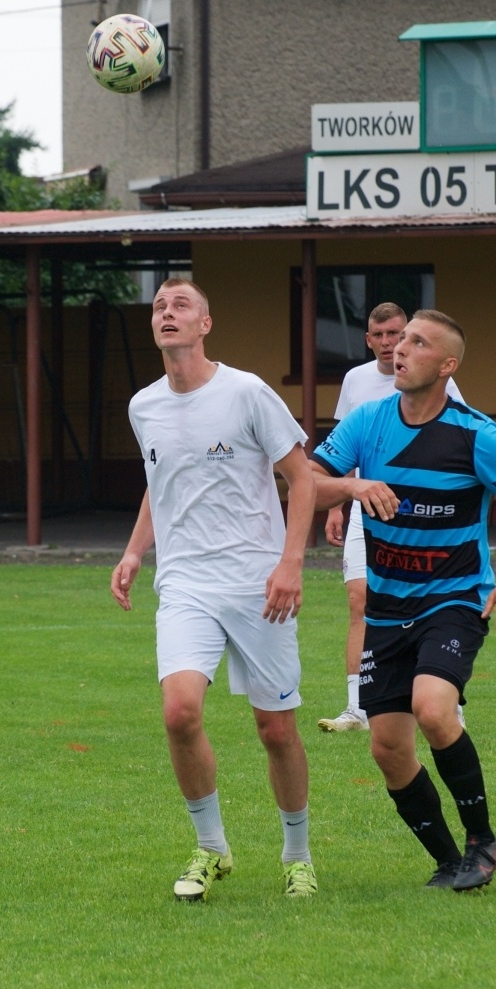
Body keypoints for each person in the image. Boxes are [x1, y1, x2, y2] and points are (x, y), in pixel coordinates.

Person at [309, 309, 496, 892]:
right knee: (388, 748)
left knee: (434, 708)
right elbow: (305, 480)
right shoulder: (368, 422)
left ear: (447, 365)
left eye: (417, 343)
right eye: (400, 342)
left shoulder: (478, 436)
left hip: (453, 599)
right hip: (386, 609)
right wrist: (352, 485)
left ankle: (483, 841)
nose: (400, 350)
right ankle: (449, 862)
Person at [110, 277, 319, 901]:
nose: (167, 315)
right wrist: (134, 550)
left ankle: (298, 854)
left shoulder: (247, 392)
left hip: (259, 585)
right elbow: (160, 480)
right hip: (186, 585)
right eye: (158, 307)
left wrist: (290, 564)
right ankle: (211, 848)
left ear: (206, 324)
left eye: (180, 307)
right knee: (179, 712)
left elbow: (301, 479)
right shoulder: (142, 405)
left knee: (275, 729)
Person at [318, 302, 464, 733]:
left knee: (428, 604)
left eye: (398, 335)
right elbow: (339, 451)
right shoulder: (355, 381)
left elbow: (458, 439)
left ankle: (445, 698)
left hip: (424, 516)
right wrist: (335, 505)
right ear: (368, 339)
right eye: (380, 335)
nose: (390, 344)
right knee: (360, 600)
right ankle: (358, 707)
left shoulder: (442, 380)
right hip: (367, 511)